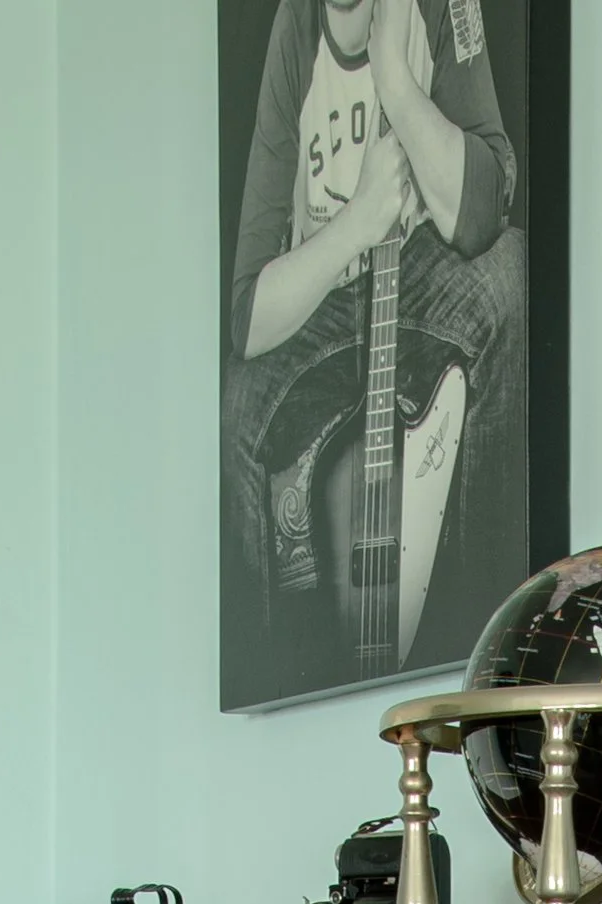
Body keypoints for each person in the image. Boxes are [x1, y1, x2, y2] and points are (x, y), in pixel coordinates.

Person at [223, 0, 526, 692]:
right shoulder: (296, 28)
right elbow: (248, 316)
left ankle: (492, 654)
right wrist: (356, 223)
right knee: (239, 409)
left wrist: (393, 74)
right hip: (331, 294)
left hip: (425, 277)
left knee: (511, 276)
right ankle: (280, 680)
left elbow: (482, 212)